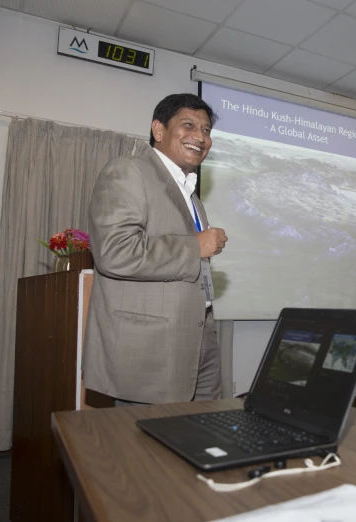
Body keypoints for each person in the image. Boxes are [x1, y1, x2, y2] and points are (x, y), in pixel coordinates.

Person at [83, 93, 228, 405]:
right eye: (188, 125)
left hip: (200, 339)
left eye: (206, 130)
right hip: (152, 349)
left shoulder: (193, 198)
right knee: (145, 451)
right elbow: (115, 252)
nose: (200, 137)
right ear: (158, 130)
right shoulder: (128, 171)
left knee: (199, 439)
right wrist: (195, 247)